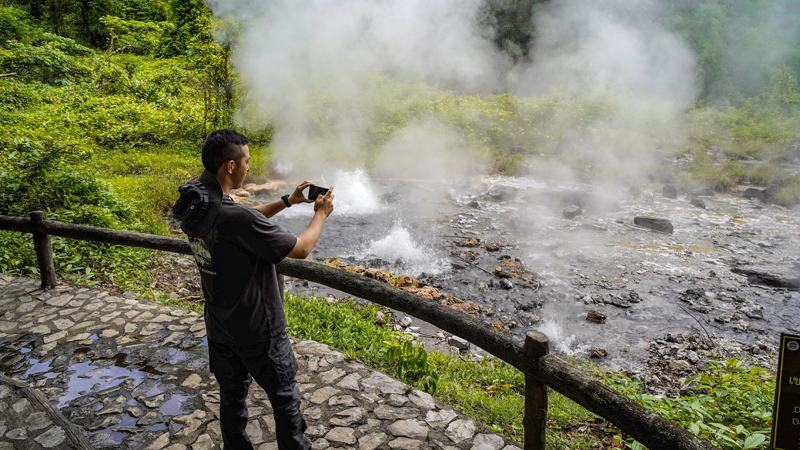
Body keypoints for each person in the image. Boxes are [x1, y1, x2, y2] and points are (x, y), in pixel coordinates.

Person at [172, 129, 334, 450]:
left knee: (232, 400)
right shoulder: (233, 215)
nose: (250, 166)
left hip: (220, 326)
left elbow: (242, 220)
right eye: (246, 160)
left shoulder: (198, 203)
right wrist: (320, 214)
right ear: (230, 166)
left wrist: (288, 201)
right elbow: (301, 249)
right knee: (285, 400)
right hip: (260, 329)